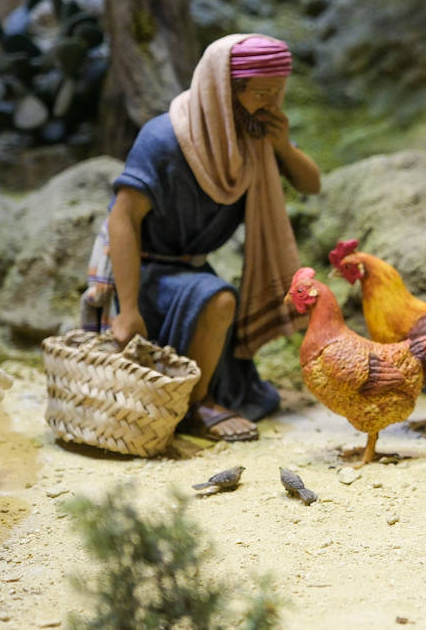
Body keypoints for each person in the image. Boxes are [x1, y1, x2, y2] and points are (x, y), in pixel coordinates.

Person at [88, 33, 320, 442]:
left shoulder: (254, 139)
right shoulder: (164, 139)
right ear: (223, 91)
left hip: (191, 266)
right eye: (261, 93)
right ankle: (196, 405)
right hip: (145, 271)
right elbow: (123, 220)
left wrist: (283, 145)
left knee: (214, 296)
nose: (271, 104)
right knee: (218, 299)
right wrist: (128, 310)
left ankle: (206, 391)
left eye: (278, 93)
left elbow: (310, 183)